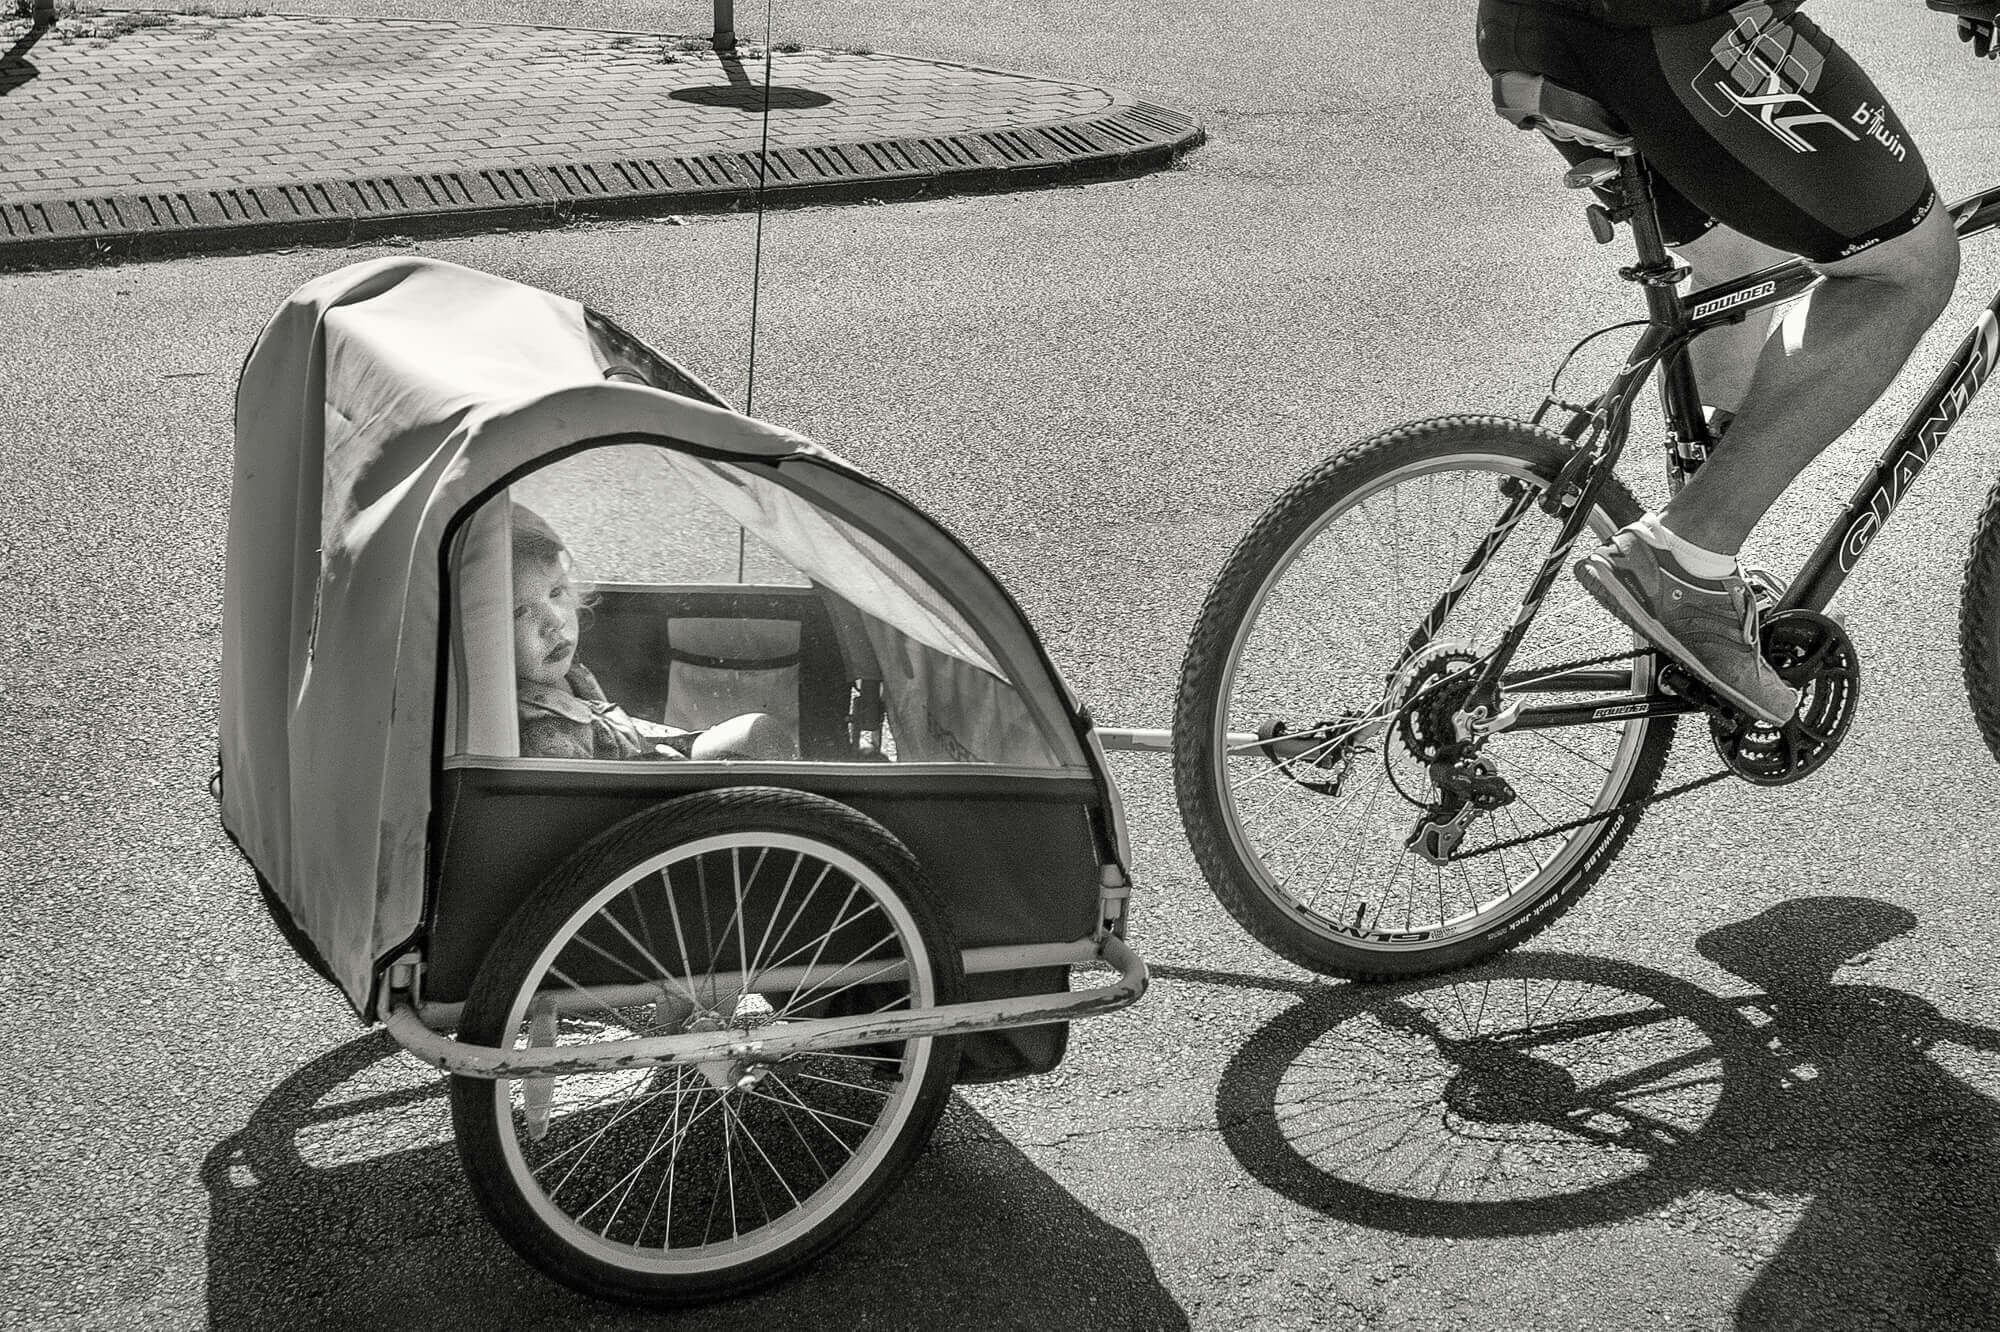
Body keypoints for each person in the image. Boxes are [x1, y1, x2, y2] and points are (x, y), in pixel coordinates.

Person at [1476, 0, 1995, 722]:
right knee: (1907, 266)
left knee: (1742, 259)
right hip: (1678, 28)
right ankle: (1689, 555)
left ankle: (1705, 541)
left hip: (1525, 26)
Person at [510, 505, 794, 761]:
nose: (555, 622)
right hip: (654, 795)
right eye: (518, 612)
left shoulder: (561, 670)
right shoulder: (543, 736)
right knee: (756, 741)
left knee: (757, 733)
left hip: (643, 746)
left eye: (556, 592)